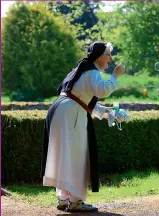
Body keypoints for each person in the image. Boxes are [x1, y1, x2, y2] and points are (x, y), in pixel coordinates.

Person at [41, 41, 125, 212]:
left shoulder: (82, 69)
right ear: (100, 56)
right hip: (71, 114)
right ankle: (76, 201)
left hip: (60, 111)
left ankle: (64, 199)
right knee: (78, 157)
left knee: (65, 155)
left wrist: (105, 111)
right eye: (108, 54)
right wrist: (115, 76)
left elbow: (81, 98)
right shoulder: (92, 72)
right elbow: (102, 91)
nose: (110, 59)